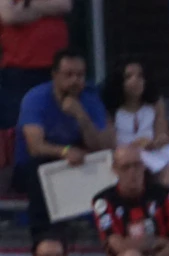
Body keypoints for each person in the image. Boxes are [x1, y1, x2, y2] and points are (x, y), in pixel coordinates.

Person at [15, 48, 112, 232]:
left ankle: (103, 228)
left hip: (76, 160)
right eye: (69, 75)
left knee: (107, 162)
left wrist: (81, 116)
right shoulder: (36, 98)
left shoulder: (89, 99)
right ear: (55, 75)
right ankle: (45, 236)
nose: (75, 81)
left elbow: (100, 146)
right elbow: (35, 147)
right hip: (34, 165)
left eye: (80, 75)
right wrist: (65, 151)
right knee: (40, 166)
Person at [106, 58, 169, 186]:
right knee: (160, 167)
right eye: (128, 77)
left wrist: (156, 142)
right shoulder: (111, 110)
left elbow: (163, 135)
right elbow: (109, 142)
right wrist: (134, 145)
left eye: (140, 76)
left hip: (152, 151)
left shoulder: (154, 104)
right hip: (124, 155)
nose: (136, 81)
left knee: (165, 169)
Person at [0, 0, 67, 131]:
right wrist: (47, 9)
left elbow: (64, 5)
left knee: (59, 124)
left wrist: (27, 5)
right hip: (20, 70)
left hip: (57, 68)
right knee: (20, 127)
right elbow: (10, 15)